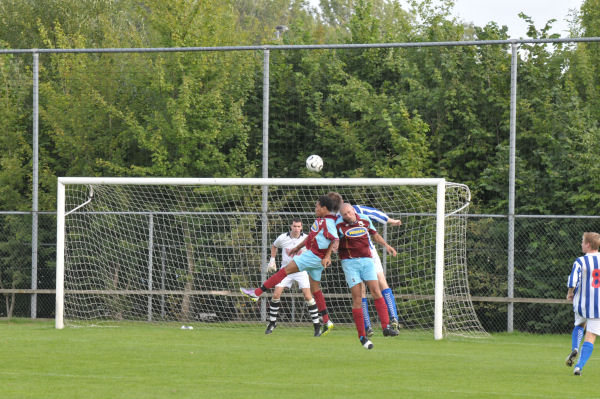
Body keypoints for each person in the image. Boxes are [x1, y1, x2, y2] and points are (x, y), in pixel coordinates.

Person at [240, 195, 339, 336]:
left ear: (324, 207)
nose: (315, 208)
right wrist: (297, 248)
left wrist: (328, 256)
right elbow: (311, 237)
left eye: (317, 206)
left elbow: (334, 239)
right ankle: (327, 321)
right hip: (315, 259)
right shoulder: (320, 220)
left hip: (313, 256)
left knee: (284, 271)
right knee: (315, 290)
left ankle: (256, 293)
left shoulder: (328, 222)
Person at [327, 192, 402, 336]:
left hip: (367, 254)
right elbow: (375, 213)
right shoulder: (341, 218)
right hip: (354, 257)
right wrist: (390, 220)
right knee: (377, 285)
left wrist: (390, 225)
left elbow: (372, 219)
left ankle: (384, 322)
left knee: (371, 288)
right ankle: (384, 321)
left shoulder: (342, 216)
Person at [264, 218, 321, 336]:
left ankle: (316, 326)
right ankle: (272, 322)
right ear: (291, 226)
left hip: (300, 270)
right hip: (285, 271)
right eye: (294, 226)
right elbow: (274, 246)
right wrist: (272, 260)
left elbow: (314, 250)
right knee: (276, 294)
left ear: (302, 227)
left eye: (299, 226)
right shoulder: (283, 237)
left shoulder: (306, 238)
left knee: (308, 296)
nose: (296, 229)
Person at [566, 232, 600, 375]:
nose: (581, 244)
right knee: (591, 335)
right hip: (597, 305)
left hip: (581, 303)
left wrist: (570, 293)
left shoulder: (580, 261)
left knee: (579, 325)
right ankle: (579, 366)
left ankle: (575, 347)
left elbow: (573, 280)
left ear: (588, 244)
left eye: (582, 242)